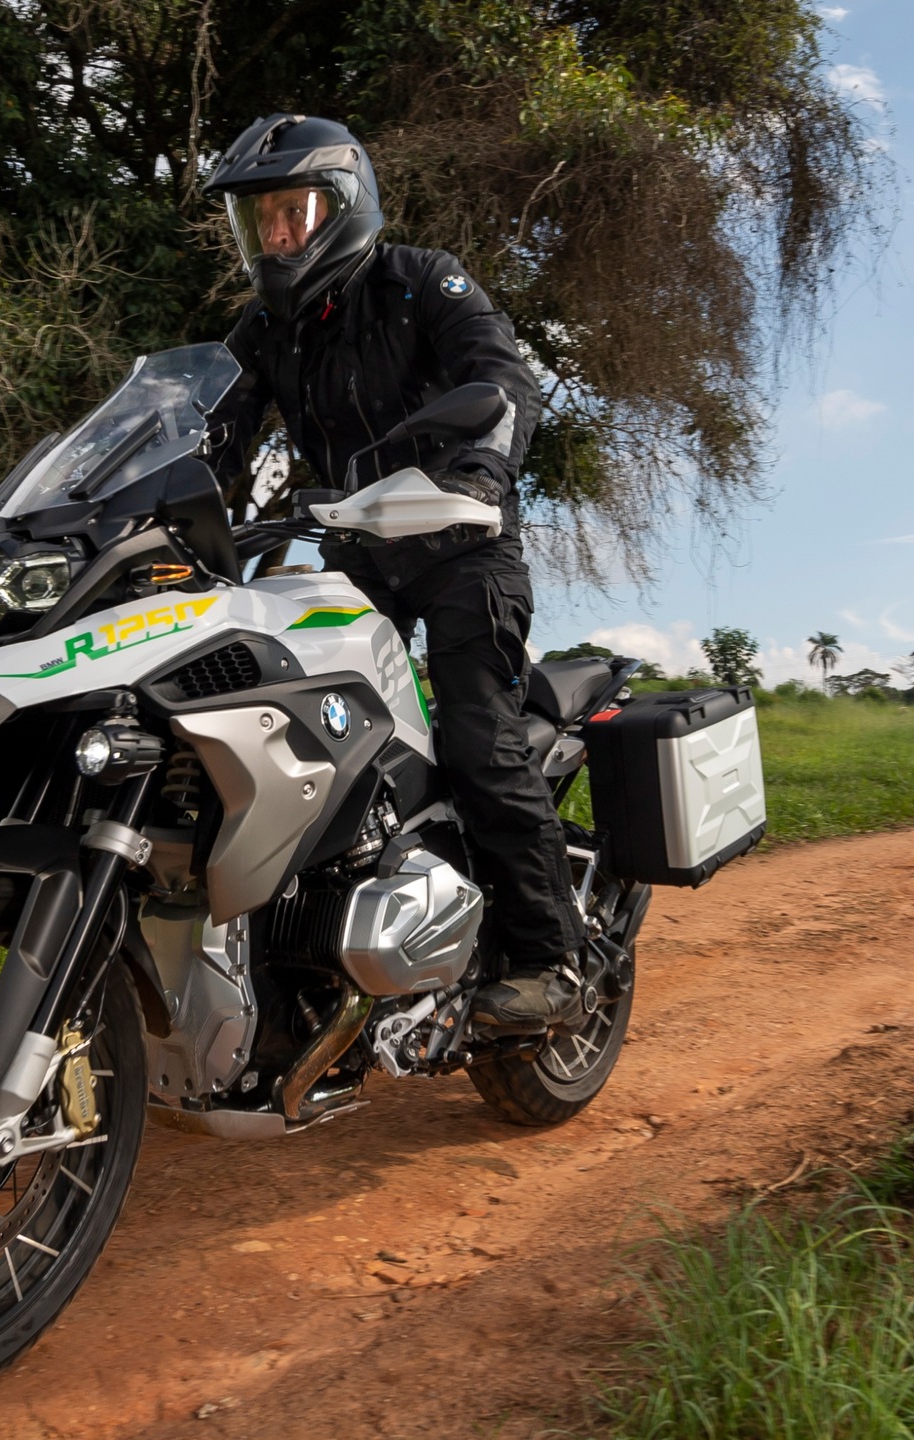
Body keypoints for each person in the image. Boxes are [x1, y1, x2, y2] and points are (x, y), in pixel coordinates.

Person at [203, 113, 585, 1033]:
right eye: (261, 222)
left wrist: (481, 472)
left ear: (343, 206)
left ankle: (551, 962)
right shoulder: (263, 332)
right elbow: (213, 431)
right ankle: (307, 952)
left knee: (475, 737)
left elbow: (502, 382)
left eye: (291, 213)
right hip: (354, 554)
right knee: (290, 729)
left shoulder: (421, 281)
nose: (277, 237)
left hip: (461, 546)